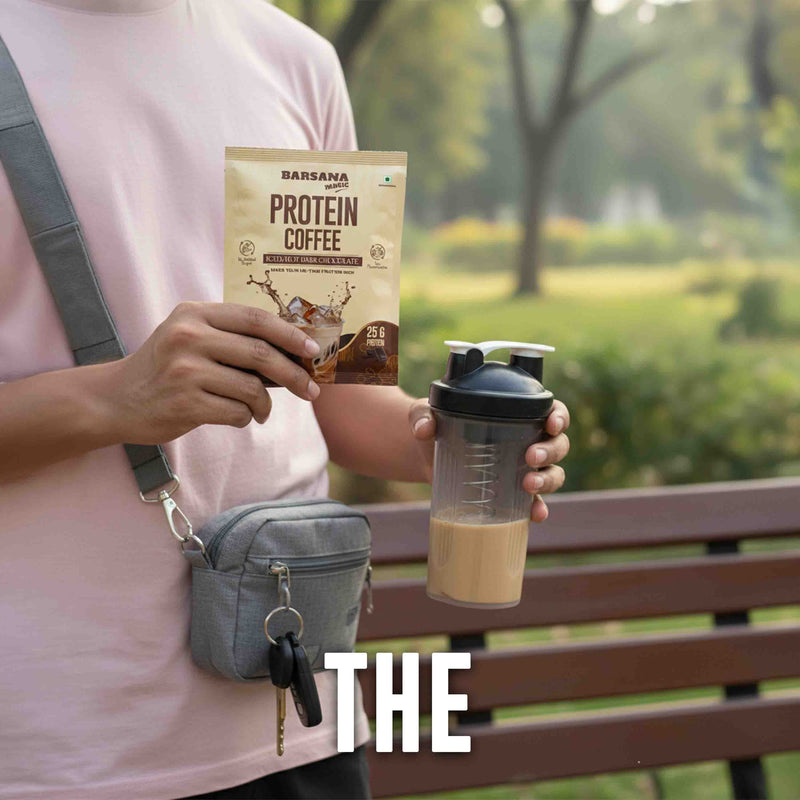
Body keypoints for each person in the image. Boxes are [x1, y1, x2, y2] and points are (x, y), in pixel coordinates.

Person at [0, 1, 571, 799]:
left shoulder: (293, 57)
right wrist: (114, 397)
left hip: (296, 717)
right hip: (57, 750)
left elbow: (332, 388)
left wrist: (448, 445)